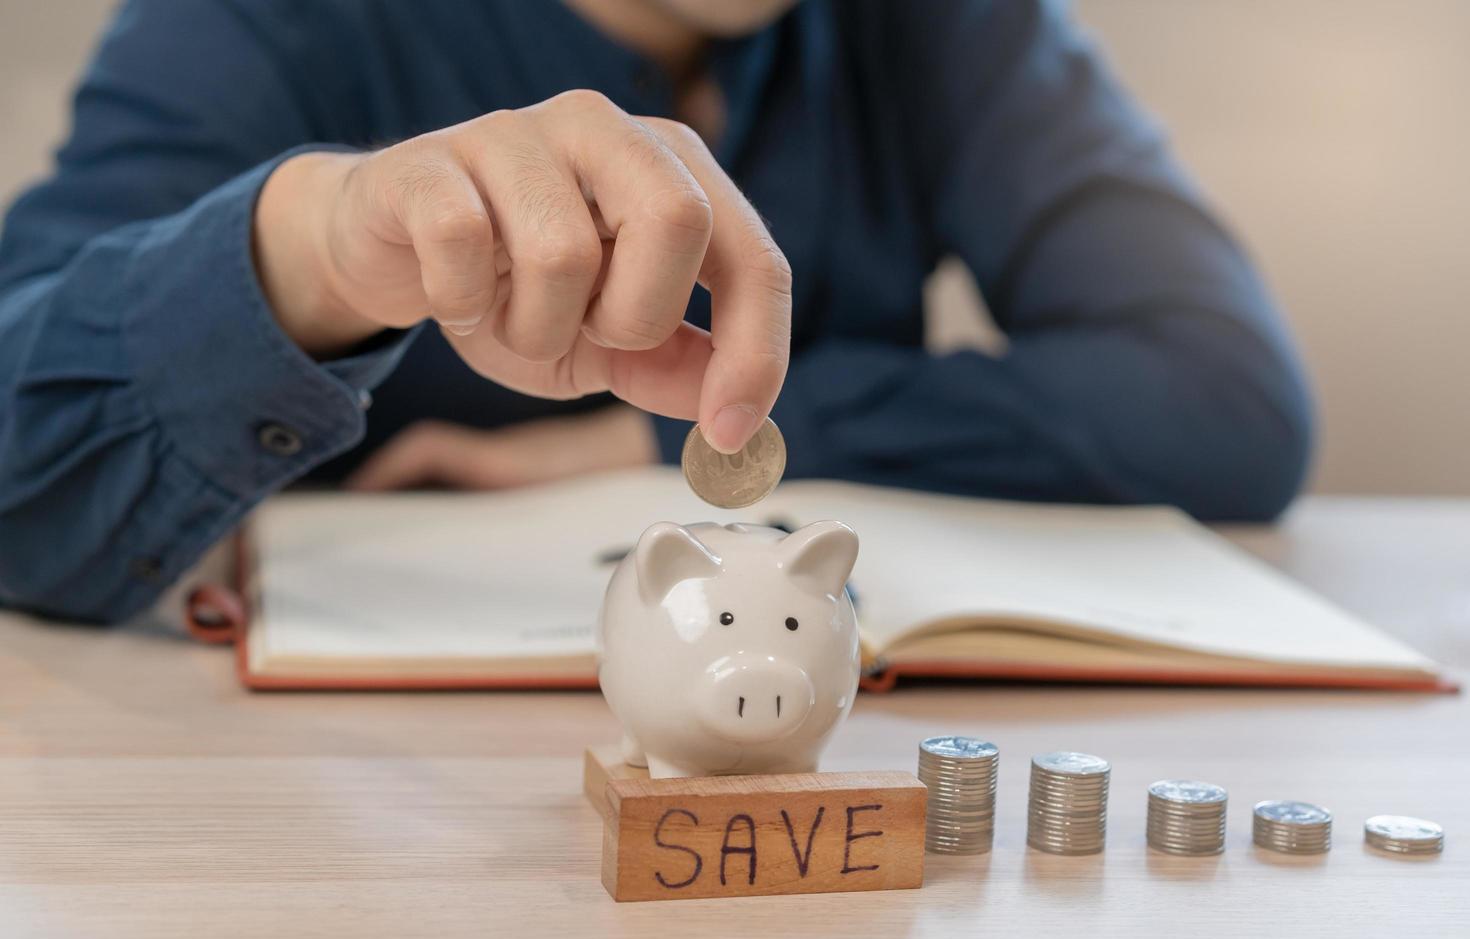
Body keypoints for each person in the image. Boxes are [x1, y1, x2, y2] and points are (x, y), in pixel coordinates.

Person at [0, 0, 1313, 624]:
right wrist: (311, 252)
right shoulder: (259, 22)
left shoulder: (949, 27)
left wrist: (646, 438)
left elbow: (1223, 400)